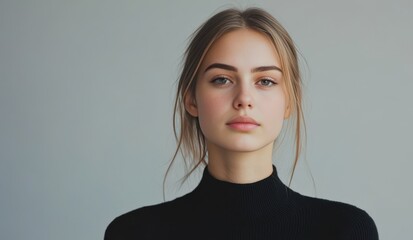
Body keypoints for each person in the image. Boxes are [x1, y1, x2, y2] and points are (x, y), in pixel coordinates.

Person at [104, 7, 378, 240]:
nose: (244, 99)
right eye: (222, 79)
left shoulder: (344, 230)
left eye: (265, 81)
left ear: (289, 103)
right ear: (191, 100)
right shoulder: (133, 233)